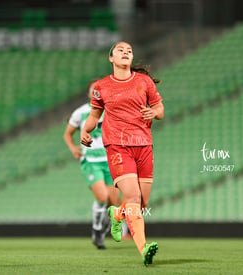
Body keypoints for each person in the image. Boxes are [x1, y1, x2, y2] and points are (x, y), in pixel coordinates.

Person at [80, 41, 164, 265]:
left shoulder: (144, 82)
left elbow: (160, 110)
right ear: (111, 58)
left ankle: (117, 214)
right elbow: (94, 115)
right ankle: (144, 248)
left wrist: (153, 112)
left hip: (144, 145)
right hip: (117, 146)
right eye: (120, 50)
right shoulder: (102, 86)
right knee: (133, 197)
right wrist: (85, 131)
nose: (126, 52)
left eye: (129, 50)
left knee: (142, 203)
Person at [64, 79, 120, 249]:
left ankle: (102, 227)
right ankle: (96, 230)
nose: (97, 91)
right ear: (89, 93)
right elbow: (67, 134)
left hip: (110, 160)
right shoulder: (80, 113)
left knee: (112, 203)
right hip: (91, 161)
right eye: (93, 89)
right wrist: (73, 147)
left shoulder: (111, 111)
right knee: (102, 197)